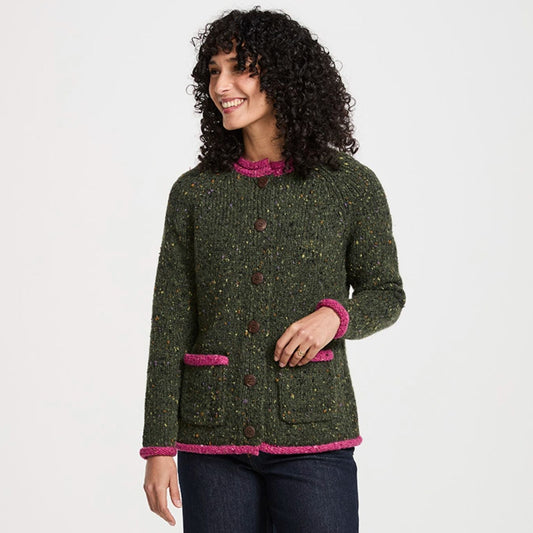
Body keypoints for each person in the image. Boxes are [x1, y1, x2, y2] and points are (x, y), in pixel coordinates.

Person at [140, 7, 406, 532]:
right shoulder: (194, 192)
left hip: (314, 433)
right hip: (211, 439)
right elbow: (170, 322)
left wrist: (334, 317)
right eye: (214, 71)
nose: (222, 85)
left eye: (240, 68)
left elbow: (386, 292)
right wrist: (158, 445)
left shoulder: (349, 185)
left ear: (284, 75)